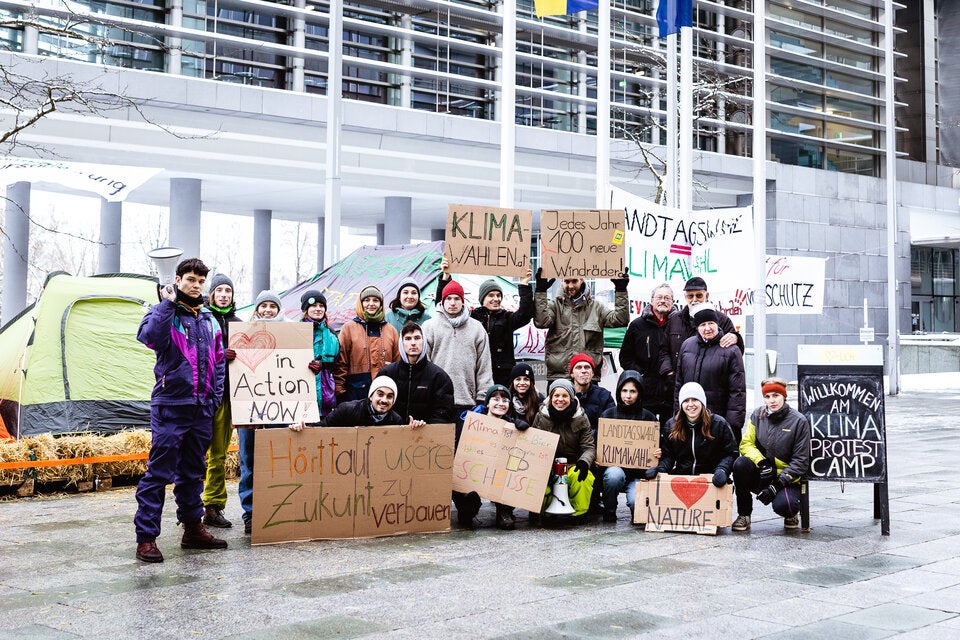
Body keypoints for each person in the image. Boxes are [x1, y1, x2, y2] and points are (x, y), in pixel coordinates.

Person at [134, 257, 227, 563]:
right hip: (170, 405)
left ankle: (192, 528)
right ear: (177, 280)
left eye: (200, 281)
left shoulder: (209, 320)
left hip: (201, 408)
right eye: (190, 279)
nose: (196, 285)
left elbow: (218, 363)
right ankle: (146, 537)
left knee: (193, 472)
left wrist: (213, 399)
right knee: (158, 473)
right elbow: (149, 338)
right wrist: (165, 304)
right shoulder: (164, 313)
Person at [421, 279, 494, 527]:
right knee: (440, 459)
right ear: (442, 302)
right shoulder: (429, 327)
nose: (453, 303)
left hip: (467, 403)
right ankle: (449, 506)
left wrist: (483, 400)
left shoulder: (477, 329)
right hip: (437, 405)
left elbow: (484, 367)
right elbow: (424, 364)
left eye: (457, 299)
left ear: (464, 302)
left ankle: (465, 508)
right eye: (449, 299)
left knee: (465, 461)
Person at [236, 292, 289, 535]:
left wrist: (311, 367)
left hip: (280, 408)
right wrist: (228, 358)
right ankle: (251, 512)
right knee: (249, 460)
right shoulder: (243, 333)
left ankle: (279, 508)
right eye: (263, 306)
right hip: (250, 408)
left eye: (272, 306)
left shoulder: (291, 333)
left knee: (279, 459)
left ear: (278, 309)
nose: (268, 310)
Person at [437, 257, 534, 386]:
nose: (496, 299)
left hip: (502, 377)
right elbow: (444, 306)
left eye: (498, 295)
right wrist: (445, 277)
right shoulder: (470, 317)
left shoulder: (507, 318)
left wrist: (524, 285)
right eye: (491, 295)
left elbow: (525, 314)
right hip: (476, 373)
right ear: (482, 298)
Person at [732, 378, 811, 532]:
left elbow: (800, 461)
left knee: (786, 506)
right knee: (740, 464)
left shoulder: (799, 421)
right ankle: (744, 515)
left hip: (786, 479)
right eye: (767, 397)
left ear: (784, 396)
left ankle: (791, 513)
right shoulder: (757, 415)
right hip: (764, 473)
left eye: (776, 395)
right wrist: (761, 463)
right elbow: (746, 443)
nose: (772, 401)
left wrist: (777, 485)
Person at [533, 268, 630, 383]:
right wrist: (540, 292)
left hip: (588, 377)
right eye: (566, 282)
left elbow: (620, 320)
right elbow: (541, 322)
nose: (570, 286)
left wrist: (621, 290)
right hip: (560, 376)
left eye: (574, 281)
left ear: (582, 279)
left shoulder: (597, 307)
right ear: (562, 281)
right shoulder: (555, 306)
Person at [646, 382, 737, 494]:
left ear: (702, 402)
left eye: (695, 400)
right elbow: (668, 455)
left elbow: (731, 453)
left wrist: (722, 470)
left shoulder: (719, 424)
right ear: (681, 404)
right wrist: (660, 470)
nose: (690, 404)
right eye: (686, 401)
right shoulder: (671, 425)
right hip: (682, 478)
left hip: (711, 479)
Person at [674, 302, 746, 441]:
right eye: (702, 325)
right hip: (691, 419)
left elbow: (737, 392)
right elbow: (679, 384)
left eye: (711, 323)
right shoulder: (687, 345)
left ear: (717, 324)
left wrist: (732, 426)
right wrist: (678, 415)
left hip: (719, 421)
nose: (707, 328)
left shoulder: (731, 350)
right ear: (697, 327)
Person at [462, 384, 530, 530]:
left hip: (497, 474)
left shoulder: (512, 426)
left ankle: (504, 511)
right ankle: (466, 511)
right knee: (465, 489)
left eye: (505, 400)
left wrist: (523, 432)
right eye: (496, 399)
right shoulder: (472, 422)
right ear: (487, 402)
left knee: (512, 470)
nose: (500, 403)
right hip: (473, 470)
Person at [200, 273, 238, 530]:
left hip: (227, 397)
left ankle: (213, 506)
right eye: (220, 290)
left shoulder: (239, 324)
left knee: (219, 455)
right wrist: (218, 354)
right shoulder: (201, 319)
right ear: (212, 293)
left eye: (228, 290)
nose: (224, 294)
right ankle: (190, 507)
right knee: (194, 454)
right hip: (202, 395)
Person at [530, 379, 595, 520]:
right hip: (547, 466)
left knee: (583, 478)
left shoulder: (581, 418)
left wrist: (584, 462)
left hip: (572, 465)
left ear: (571, 398)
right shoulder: (541, 416)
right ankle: (542, 511)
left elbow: (588, 446)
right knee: (539, 485)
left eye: (565, 396)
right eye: (556, 396)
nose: (560, 399)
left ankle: (578, 514)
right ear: (551, 398)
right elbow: (533, 444)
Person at [599, 370, 658, 523]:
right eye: (624, 391)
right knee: (613, 475)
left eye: (633, 391)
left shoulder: (649, 417)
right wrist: (597, 458)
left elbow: (657, 447)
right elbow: (598, 443)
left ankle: (636, 510)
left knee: (635, 504)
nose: (628, 395)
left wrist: (658, 452)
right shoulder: (608, 415)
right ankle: (609, 509)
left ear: (639, 393)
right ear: (619, 391)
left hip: (638, 476)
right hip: (615, 470)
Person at [618, 283, 677, 427]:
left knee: (668, 434)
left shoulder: (679, 325)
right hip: (645, 392)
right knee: (644, 434)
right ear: (651, 300)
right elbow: (625, 357)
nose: (663, 301)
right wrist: (641, 374)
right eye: (659, 297)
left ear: (673, 302)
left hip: (670, 392)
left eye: (667, 298)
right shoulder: (637, 325)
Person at [379, 322, 455, 425]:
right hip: (392, 435)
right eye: (408, 339)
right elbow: (376, 408)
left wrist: (425, 427)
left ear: (423, 341)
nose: (413, 343)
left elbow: (443, 414)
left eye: (417, 338)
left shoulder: (439, 376)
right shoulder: (387, 373)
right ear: (401, 342)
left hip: (425, 436)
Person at [334, 285, 400, 402]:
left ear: (380, 303)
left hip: (383, 396)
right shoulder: (349, 328)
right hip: (354, 394)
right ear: (361, 303)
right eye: (366, 300)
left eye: (375, 300)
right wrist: (340, 391)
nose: (371, 304)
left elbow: (397, 364)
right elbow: (341, 363)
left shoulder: (391, 330)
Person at [666, 276, 743, 368]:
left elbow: (735, 353)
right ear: (685, 297)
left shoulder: (723, 320)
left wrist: (736, 338)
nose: (694, 300)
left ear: (706, 296)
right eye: (690, 296)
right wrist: (668, 371)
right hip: (679, 378)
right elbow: (663, 349)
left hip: (711, 379)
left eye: (699, 295)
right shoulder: (674, 320)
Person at [317, 376, 425, 428]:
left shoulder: (396, 420)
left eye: (389, 396)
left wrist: (412, 432)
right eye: (380, 394)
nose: (384, 400)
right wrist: (303, 427)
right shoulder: (347, 410)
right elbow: (322, 427)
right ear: (371, 396)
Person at [301, 290, 340, 418]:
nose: (318, 309)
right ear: (306, 309)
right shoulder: (296, 331)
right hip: (300, 396)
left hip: (326, 399)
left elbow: (337, 365)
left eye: (321, 306)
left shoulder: (332, 335)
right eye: (314, 305)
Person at [569, 353, 615, 433]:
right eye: (579, 367)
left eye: (587, 367)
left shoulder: (604, 395)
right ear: (572, 374)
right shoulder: (563, 394)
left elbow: (610, 426)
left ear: (592, 373)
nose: (583, 371)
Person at [508, 363, 543, 428]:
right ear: (512, 382)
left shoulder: (539, 400)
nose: (522, 383)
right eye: (518, 379)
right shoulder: (507, 399)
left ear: (531, 382)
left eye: (526, 379)